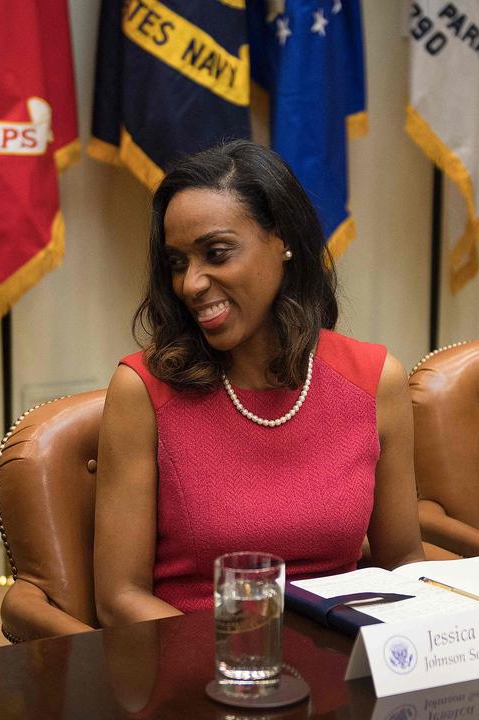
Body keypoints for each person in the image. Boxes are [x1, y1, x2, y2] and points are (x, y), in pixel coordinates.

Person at [93, 140, 425, 624]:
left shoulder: (375, 381)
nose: (191, 284)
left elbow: (402, 564)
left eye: (217, 253)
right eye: (178, 262)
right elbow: (120, 597)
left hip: (344, 665)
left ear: (284, 240)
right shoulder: (143, 390)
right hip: (202, 674)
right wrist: (245, 663)